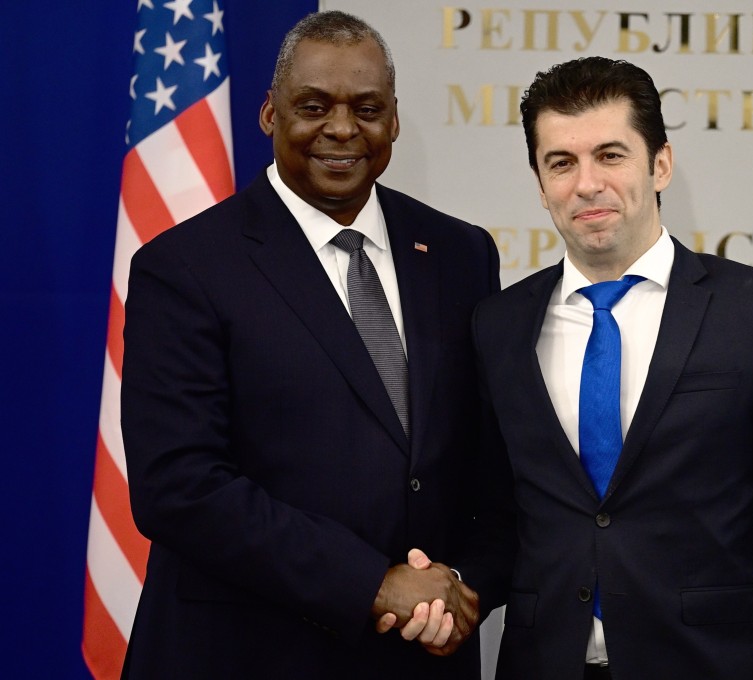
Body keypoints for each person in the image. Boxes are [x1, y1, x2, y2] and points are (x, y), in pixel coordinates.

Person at [405, 56, 753, 678]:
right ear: (540, 184)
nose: (587, 184)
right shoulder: (499, 325)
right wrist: (457, 590)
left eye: (611, 155)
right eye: (561, 163)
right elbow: (501, 516)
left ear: (660, 165)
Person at [119, 11, 498, 679]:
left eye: (368, 108)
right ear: (270, 113)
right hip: (244, 653)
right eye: (314, 106)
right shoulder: (184, 266)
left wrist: (458, 590)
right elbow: (177, 486)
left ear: (396, 120)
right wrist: (370, 583)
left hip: (417, 658)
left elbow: (488, 462)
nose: (343, 129)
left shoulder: (461, 253)